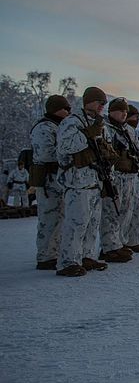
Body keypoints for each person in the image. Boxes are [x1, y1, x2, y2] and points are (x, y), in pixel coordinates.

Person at [55, 86, 112, 276]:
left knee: (92, 222)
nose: (103, 106)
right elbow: (65, 146)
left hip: (95, 180)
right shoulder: (71, 122)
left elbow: (105, 150)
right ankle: (68, 261)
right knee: (76, 222)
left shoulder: (99, 124)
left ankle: (86, 256)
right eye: (99, 102)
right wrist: (88, 134)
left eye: (104, 103)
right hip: (77, 181)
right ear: (88, 102)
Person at [30, 94, 70, 270]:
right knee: (49, 217)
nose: (69, 111)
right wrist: (69, 154)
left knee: (60, 216)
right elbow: (45, 154)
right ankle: (45, 256)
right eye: (65, 108)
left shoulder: (58, 126)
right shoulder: (44, 127)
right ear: (55, 109)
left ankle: (55, 252)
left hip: (59, 179)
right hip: (48, 179)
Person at [97, 97, 136, 263]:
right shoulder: (106, 128)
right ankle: (110, 247)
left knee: (125, 211)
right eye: (121, 111)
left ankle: (120, 242)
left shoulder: (125, 130)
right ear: (111, 112)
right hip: (115, 175)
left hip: (127, 176)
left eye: (126, 111)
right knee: (111, 212)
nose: (124, 114)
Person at [121, 103, 139, 252]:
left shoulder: (130, 132)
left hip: (134, 177)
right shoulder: (118, 131)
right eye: (135, 117)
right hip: (122, 177)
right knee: (122, 212)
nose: (137, 119)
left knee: (138, 210)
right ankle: (117, 244)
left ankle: (134, 241)